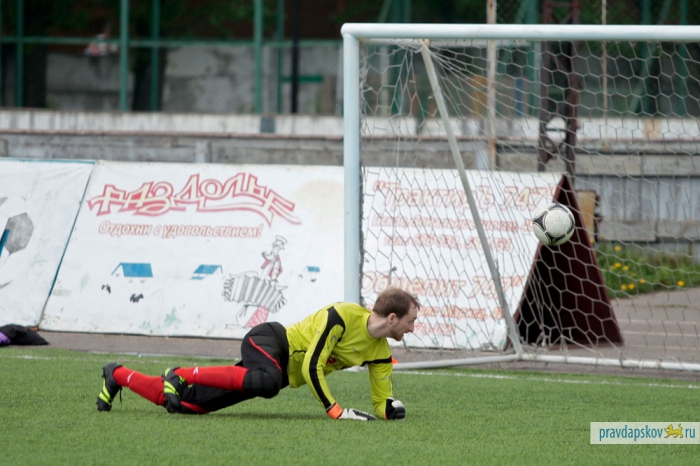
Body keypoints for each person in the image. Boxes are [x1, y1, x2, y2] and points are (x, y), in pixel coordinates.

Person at [96, 287, 419, 421]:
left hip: (273, 375)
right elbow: (312, 365)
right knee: (267, 381)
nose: (413, 328)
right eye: (410, 321)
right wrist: (334, 410)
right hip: (269, 340)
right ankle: (180, 373)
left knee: (186, 404)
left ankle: (117, 375)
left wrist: (390, 409)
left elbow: (381, 400)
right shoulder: (342, 316)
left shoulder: (380, 352)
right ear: (392, 318)